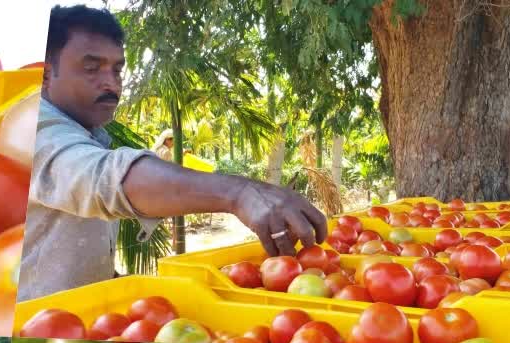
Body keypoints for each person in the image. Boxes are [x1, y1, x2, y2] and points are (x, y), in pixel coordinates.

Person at [20, 4, 327, 301]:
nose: (111, 83)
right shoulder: (35, 129)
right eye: (91, 68)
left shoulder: (88, 132)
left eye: (117, 69)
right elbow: (102, 178)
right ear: (46, 75)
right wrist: (239, 193)